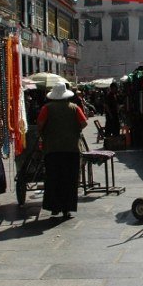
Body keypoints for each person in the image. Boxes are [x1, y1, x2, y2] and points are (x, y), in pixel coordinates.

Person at [37, 83, 88, 219]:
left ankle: (54, 207)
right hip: (72, 149)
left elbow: (40, 124)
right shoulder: (74, 108)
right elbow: (84, 123)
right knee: (69, 179)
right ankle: (67, 208)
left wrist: (46, 133)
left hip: (52, 149)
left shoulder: (46, 108)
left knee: (53, 178)